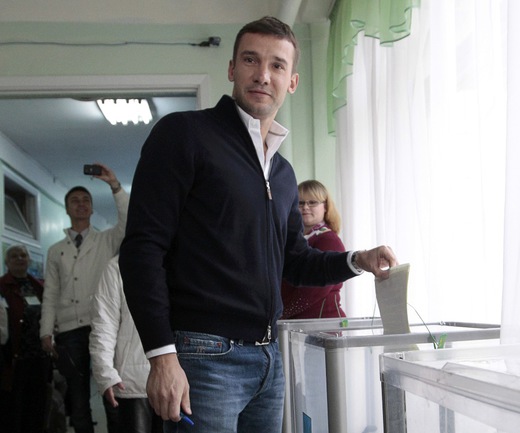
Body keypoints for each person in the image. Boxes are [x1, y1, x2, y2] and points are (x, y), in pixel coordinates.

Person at [118, 16, 398, 433]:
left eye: (277, 65)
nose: (263, 75)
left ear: (292, 81)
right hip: (203, 357)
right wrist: (162, 355)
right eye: (251, 60)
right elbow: (142, 248)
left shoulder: (281, 172)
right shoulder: (184, 134)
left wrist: (358, 260)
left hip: (270, 360)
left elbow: (296, 261)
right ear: (232, 68)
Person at [40, 163, 129, 433]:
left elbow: (128, 220)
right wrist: (46, 331)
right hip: (69, 330)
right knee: (78, 399)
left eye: (86, 201)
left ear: (91, 208)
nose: (81, 204)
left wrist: (115, 186)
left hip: (103, 327)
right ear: (67, 209)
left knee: (111, 392)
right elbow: (50, 292)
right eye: (75, 201)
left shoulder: (107, 240)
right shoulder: (56, 250)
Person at [89, 256, 163, 433]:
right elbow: (104, 325)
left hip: (178, 382)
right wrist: (105, 373)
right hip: (133, 383)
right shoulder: (117, 266)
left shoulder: (181, 259)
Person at [0, 244, 51, 433]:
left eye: (23, 255)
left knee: (37, 407)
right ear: (7, 262)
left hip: (39, 358)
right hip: (13, 359)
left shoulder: (39, 287)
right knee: (13, 408)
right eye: (14, 256)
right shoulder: (2, 286)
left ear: (29, 260)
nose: (20, 259)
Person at [281, 180, 348, 319]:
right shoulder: (294, 240)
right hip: (297, 324)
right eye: (300, 203)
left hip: (322, 325)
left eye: (312, 202)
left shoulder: (329, 240)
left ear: (325, 207)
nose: (305, 207)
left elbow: (311, 293)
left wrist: (279, 314)